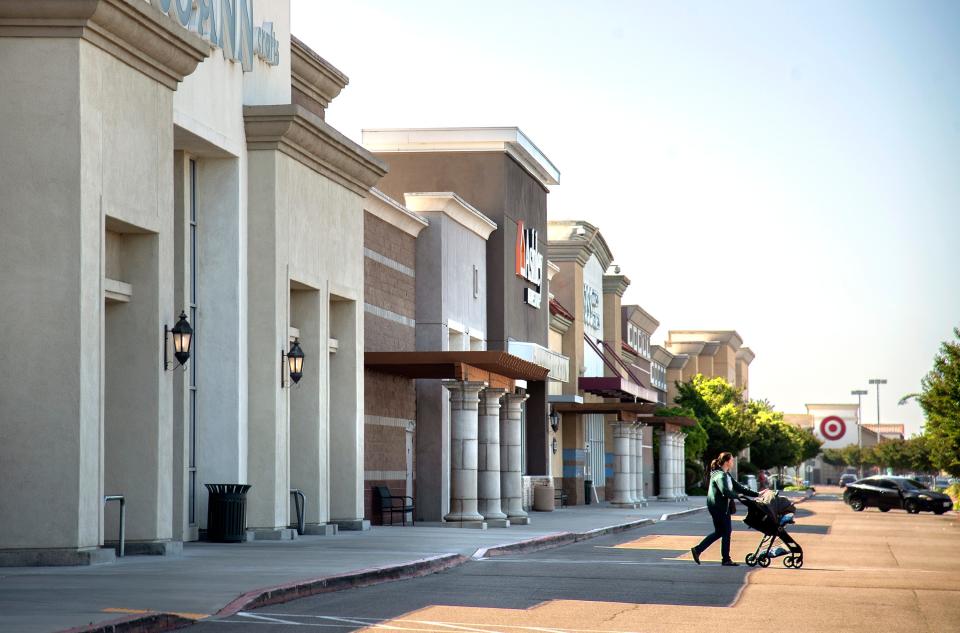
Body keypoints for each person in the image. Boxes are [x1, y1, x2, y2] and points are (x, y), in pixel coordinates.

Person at [690, 451, 759, 566]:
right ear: (727, 462)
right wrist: (737, 496)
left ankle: (698, 550)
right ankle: (725, 559)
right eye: (731, 460)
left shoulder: (725, 474)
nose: (733, 462)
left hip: (719, 507)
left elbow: (739, 487)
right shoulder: (720, 475)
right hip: (718, 507)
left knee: (720, 532)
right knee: (726, 531)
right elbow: (725, 491)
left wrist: (757, 494)